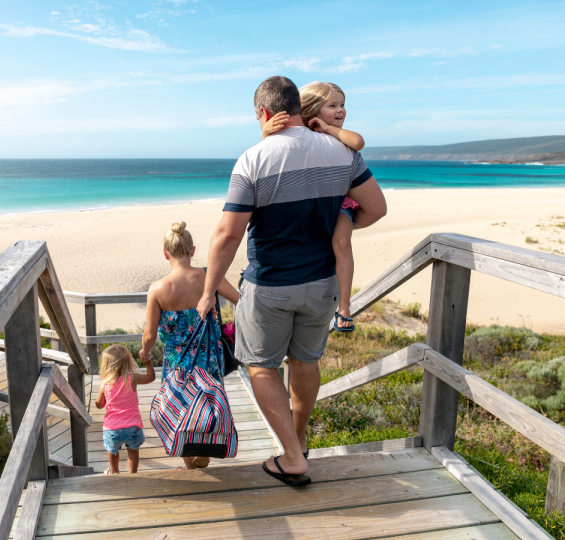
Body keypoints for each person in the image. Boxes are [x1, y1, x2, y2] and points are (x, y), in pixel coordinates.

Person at [197, 76, 386, 486]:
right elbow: (377, 208)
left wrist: (209, 289)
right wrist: (344, 220)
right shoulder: (342, 151)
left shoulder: (252, 159)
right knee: (306, 361)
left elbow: (228, 235)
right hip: (322, 283)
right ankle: (297, 440)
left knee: (262, 367)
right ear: (301, 109)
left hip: (270, 286)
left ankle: (292, 457)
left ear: (264, 114)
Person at [263, 81, 366, 332]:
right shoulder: (301, 136)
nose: (341, 110)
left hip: (342, 201)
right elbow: (271, 151)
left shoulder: (338, 135)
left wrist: (329, 128)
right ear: (311, 108)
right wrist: (265, 132)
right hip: (318, 201)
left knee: (341, 243)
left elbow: (359, 141)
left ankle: (344, 307)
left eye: (342, 105)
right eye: (333, 105)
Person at [140, 221, 240, 469]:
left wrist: (144, 352)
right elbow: (240, 299)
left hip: (177, 362)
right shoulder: (207, 276)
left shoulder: (157, 289)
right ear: (192, 250)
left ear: (166, 254)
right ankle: (205, 452)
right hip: (209, 358)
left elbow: (150, 334)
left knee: (181, 409)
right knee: (209, 403)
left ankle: (190, 463)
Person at [95, 344, 155, 474]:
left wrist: (100, 399)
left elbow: (99, 405)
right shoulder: (132, 378)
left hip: (112, 429)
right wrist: (147, 361)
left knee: (112, 451)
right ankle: (132, 474)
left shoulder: (105, 385)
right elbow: (151, 377)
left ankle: (114, 471)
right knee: (133, 451)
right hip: (132, 426)